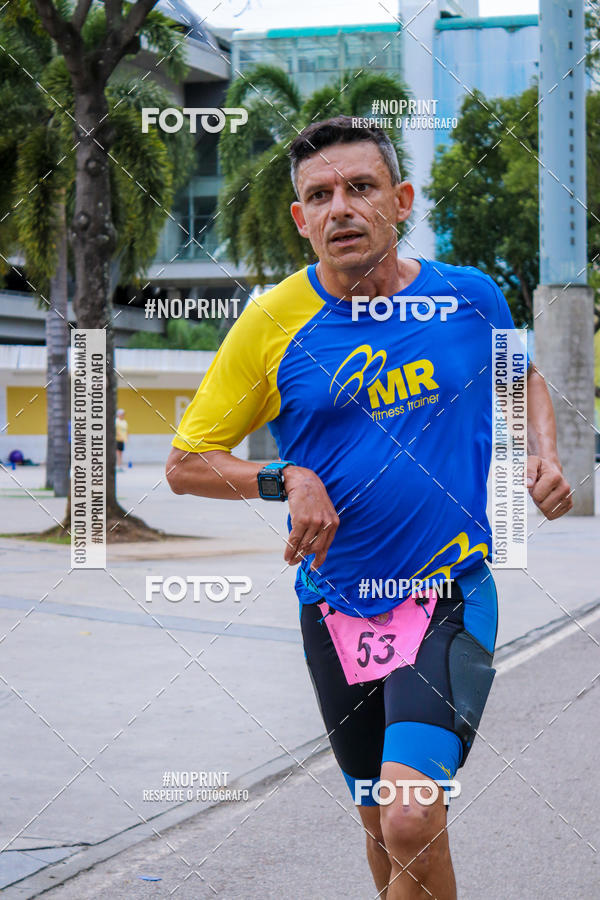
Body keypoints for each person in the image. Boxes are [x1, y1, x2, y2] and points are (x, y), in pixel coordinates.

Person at [166, 117, 572, 899]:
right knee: (381, 830)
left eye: (360, 188)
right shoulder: (272, 323)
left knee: (410, 817)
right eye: (319, 196)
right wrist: (284, 478)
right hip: (336, 610)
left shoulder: (467, 296)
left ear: (402, 200)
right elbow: (186, 465)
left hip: (448, 590)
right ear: (299, 218)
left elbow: (521, 380)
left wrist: (542, 453)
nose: (339, 208)